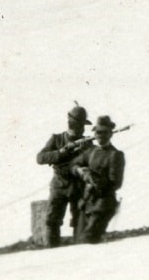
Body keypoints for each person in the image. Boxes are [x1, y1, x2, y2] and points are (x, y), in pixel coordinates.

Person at [34, 105, 92, 247]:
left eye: (82, 124)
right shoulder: (56, 139)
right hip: (59, 186)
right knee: (52, 220)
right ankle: (51, 254)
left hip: (78, 187)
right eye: (79, 124)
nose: (82, 128)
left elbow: (92, 163)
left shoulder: (87, 142)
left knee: (80, 221)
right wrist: (60, 153)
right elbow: (40, 158)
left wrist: (86, 152)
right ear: (72, 123)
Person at [75, 116, 126, 244]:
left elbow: (115, 183)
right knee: (78, 242)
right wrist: (81, 172)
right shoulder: (91, 152)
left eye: (104, 132)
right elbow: (75, 164)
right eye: (97, 132)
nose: (100, 135)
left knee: (89, 240)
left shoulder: (115, 155)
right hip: (87, 203)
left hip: (103, 204)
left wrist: (93, 178)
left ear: (110, 134)